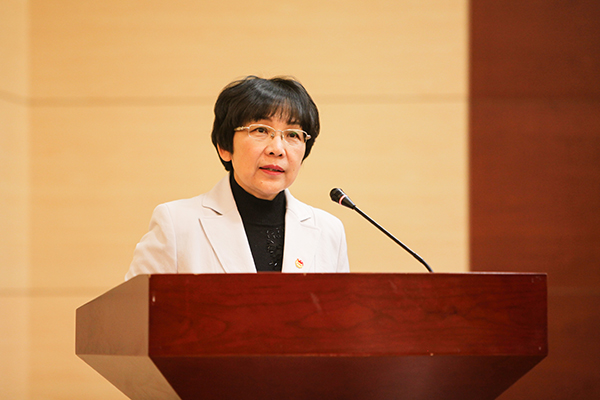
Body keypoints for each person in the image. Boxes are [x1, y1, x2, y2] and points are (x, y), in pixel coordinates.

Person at [125, 76, 349, 279]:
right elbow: (134, 309)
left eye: (292, 134)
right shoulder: (176, 224)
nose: (277, 149)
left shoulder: (329, 231)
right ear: (225, 146)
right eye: (261, 130)